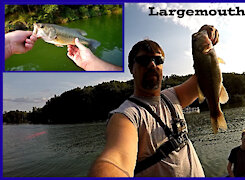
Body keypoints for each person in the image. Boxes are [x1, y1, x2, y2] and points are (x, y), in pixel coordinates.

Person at [88, 25, 219, 177]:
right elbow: (116, 161)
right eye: (144, 60)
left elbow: (207, 73)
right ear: (131, 68)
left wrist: (203, 33)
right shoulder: (126, 116)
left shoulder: (173, 97)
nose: (152, 64)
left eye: (158, 59)